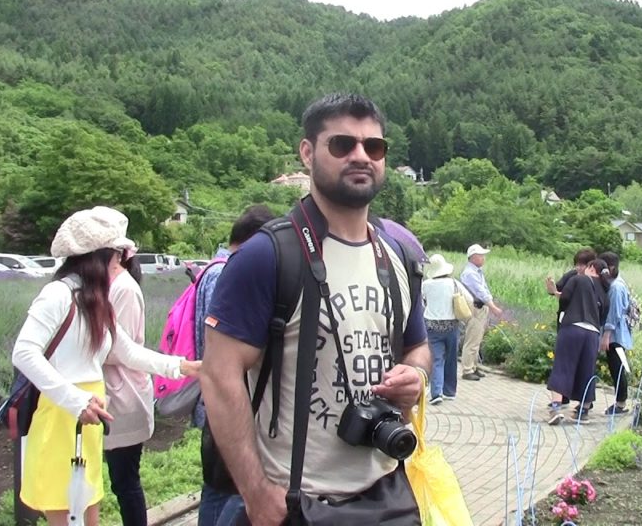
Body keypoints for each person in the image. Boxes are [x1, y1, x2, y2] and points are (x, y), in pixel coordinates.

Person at [200, 93, 431, 526]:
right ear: (307, 153)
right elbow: (218, 374)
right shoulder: (268, 255)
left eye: (373, 147)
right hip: (297, 501)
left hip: (387, 489)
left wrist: (415, 375)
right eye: (342, 145)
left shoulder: (397, 255)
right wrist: (254, 492)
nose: (361, 156)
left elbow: (417, 347)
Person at [11, 206, 201, 526]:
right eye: (117, 252)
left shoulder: (95, 299)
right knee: (64, 507)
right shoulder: (57, 295)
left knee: (88, 508)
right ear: (96, 256)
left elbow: (128, 351)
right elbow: (24, 352)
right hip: (62, 416)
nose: (122, 259)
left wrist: (183, 367)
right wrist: (75, 400)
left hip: (91, 416)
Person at [195, 204, 275, 526]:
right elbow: (227, 358)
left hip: (218, 397)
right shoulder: (233, 272)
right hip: (233, 400)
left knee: (216, 487)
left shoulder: (212, 269)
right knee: (231, 489)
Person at [103, 253, 152, 526]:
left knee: (125, 481)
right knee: (120, 481)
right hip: (112, 394)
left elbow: (123, 348)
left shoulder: (125, 289)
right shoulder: (110, 285)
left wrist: (83, 346)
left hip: (125, 395)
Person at [545, 259, 610, 425]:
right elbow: (603, 317)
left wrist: (554, 292)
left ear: (591, 268)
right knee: (587, 370)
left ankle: (556, 408)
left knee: (563, 366)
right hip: (592, 333)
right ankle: (583, 410)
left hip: (572, 328)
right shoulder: (604, 290)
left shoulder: (578, 279)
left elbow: (564, 300)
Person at [422, 253, 473, 405]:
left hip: (432, 326)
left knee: (436, 359)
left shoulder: (426, 285)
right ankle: (449, 391)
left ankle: (436, 392)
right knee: (451, 359)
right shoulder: (453, 283)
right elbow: (469, 299)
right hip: (452, 325)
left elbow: (419, 301)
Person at [460, 243, 502, 381]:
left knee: (477, 339)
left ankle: (474, 366)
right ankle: (467, 369)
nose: (484, 258)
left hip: (480, 307)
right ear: (473, 257)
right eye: (481, 255)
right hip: (475, 308)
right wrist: (493, 307)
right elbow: (480, 292)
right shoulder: (470, 273)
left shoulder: (476, 272)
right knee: (472, 339)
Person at [599, 251, 633, 415]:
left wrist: (606, 335)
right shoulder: (613, 284)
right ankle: (620, 402)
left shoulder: (616, 287)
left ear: (611, 267)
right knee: (615, 367)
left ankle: (620, 404)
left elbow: (614, 313)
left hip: (616, 336)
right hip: (615, 335)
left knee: (617, 368)